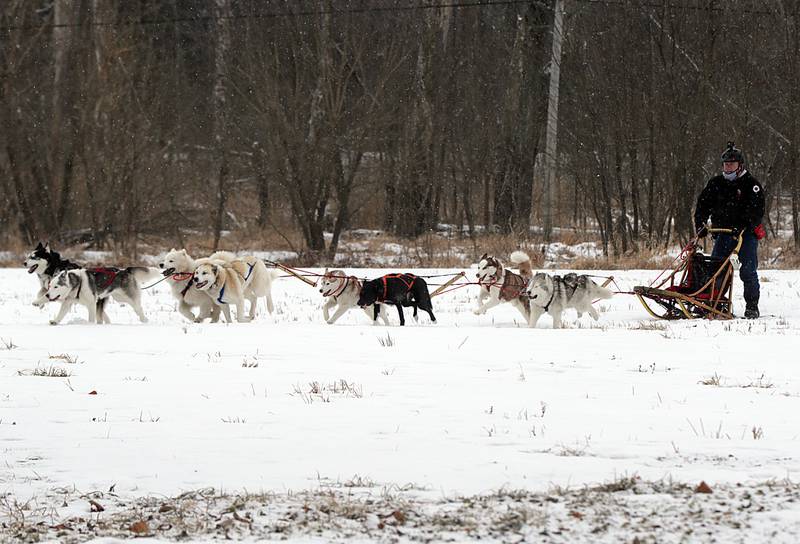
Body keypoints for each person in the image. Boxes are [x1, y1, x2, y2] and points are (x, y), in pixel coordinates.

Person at [694, 142, 765, 319]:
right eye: (725, 164)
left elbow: (756, 212)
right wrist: (701, 224)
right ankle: (714, 303)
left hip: (745, 236)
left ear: (740, 165)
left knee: (747, 271)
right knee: (716, 270)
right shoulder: (716, 183)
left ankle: (752, 306)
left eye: (731, 164)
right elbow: (703, 205)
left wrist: (742, 225)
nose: (728, 168)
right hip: (723, 234)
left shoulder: (751, 185)